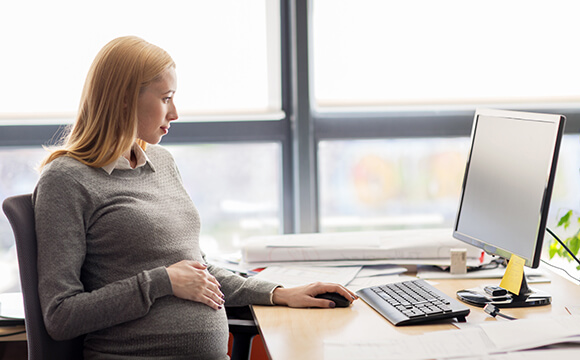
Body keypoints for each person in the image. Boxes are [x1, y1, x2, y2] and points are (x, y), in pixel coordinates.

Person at [32, 36, 357, 359]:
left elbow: (195, 271)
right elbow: (61, 316)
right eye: (165, 98)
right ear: (125, 100)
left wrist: (279, 293)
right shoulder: (67, 179)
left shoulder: (161, 163)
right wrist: (160, 282)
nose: (174, 113)